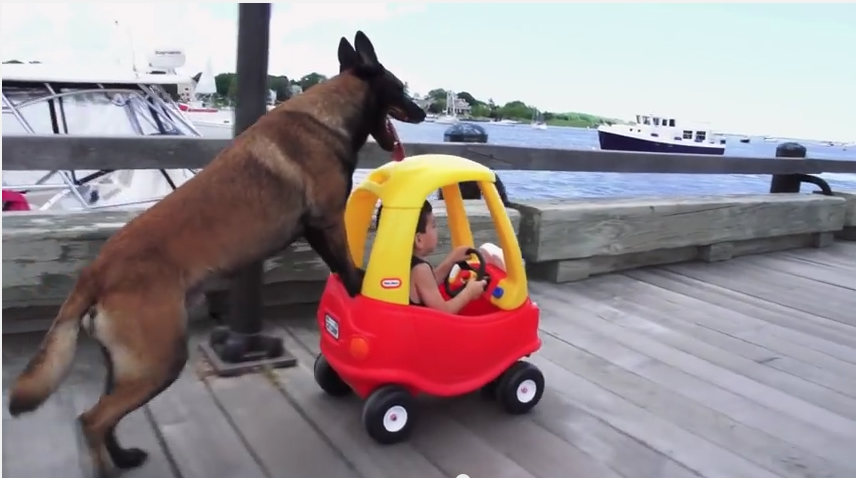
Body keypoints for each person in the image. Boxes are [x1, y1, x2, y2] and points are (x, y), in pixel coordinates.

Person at [409, 201, 487, 312]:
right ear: (419, 240)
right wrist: (469, 292)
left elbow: (429, 286)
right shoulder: (420, 270)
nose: (437, 229)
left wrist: (451, 260)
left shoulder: (403, 263)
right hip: (421, 328)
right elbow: (444, 311)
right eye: (433, 225)